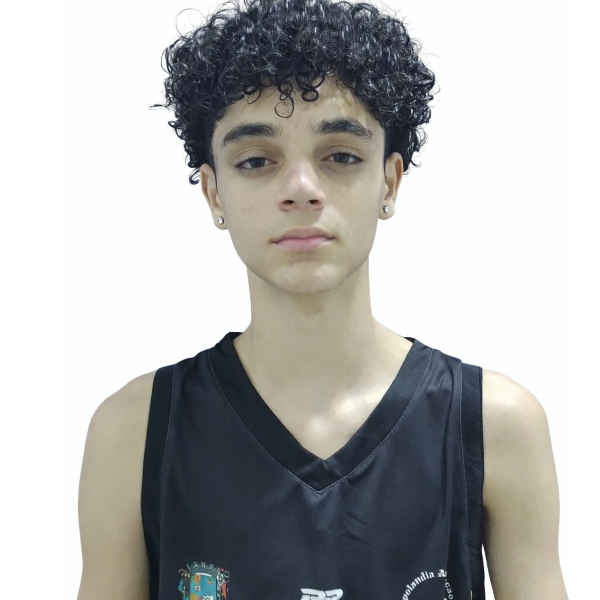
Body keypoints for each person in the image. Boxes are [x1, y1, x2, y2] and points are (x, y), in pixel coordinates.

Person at [75, 0, 570, 598]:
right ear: (213, 193)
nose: (301, 189)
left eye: (340, 156)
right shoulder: (134, 432)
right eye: (256, 160)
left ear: (389, 181)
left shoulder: (494, 424)